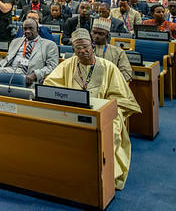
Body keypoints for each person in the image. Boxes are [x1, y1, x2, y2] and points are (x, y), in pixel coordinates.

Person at [44, 29, 140, 190]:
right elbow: (50, 86)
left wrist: (103, 107)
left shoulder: (108, 67)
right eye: (78, 48)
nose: (82, 51)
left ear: (92, 46)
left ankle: (105, 175)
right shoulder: (68, 65)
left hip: (102, 111)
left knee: (112, 127)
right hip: (73, 109)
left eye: (85, 47)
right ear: (73, 50)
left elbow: (122, 98)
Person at [0, 19, 58, 86]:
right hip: (10, 71)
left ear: (37, 29)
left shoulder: (49, 45)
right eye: (25, 29)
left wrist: (35, 74)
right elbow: (8, 58)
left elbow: (52, 66)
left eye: (31, 28)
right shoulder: (15, 41)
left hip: (30, 76)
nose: (27, 31)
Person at [91, 17, 132, 82]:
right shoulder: (85, 50)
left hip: (111, 84)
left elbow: (127, 74)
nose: (96, 36)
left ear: (107, 35)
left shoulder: (118, 52)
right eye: (94, 33)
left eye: (101, 34)